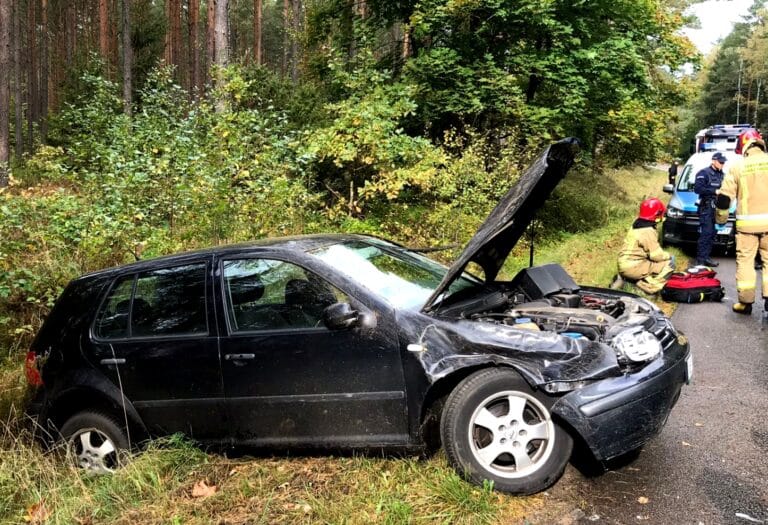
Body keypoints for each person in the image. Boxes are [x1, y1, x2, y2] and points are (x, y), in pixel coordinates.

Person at [715, 133, 768, 317]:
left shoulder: (738, 166)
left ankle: (745, 303)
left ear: (743, 147)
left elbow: (723, 199)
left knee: (746, 263)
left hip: (747, 228)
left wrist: (720, 221)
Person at [617, 198, 675, 294]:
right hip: (633, 267)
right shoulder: (647, 230)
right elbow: (656, 256)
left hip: (624, 264)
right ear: (656, 214)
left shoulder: (637, 224)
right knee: (670, 262)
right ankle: (651, 289)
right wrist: (668, 255)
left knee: (650, 264)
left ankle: (633, 281)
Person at [693, 152, 727, 267]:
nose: (722, 164)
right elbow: (697, 189)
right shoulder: (704, 173)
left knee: (713, 234)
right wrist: (714, 191)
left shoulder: (722, 175)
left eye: (723, 162)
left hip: (717, 209)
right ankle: (700, 260)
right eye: (720, 162)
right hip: (706, 208)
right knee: (706, 234)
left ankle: (706, 257)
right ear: (713, 161)